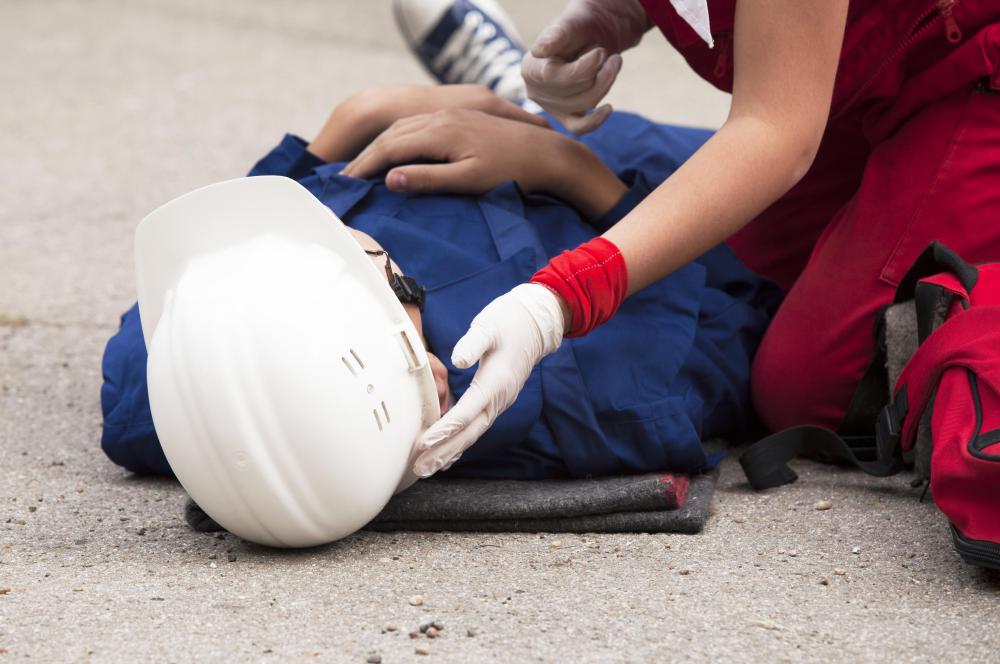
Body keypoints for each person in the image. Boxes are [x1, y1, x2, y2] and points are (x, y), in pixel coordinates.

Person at [398, 0, 1000, 477]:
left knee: (812, 388)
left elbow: (775, 132)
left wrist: (557, 300)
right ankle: (540, 120)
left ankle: (554, 133)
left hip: (967, 75)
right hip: (851, 78)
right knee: (723, 274)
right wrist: (622, 10)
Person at [100, 77, 778, 481]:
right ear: (429, 373)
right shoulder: (606, 398)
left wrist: (351, 123)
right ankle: (509, 89)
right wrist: (566, 165)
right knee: (790, 159)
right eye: (370, 272)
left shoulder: (157, 385)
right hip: (609, 184)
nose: (337, 235)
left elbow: (238, 231)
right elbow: (741, 289)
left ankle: (489, 88)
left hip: (419, 141)